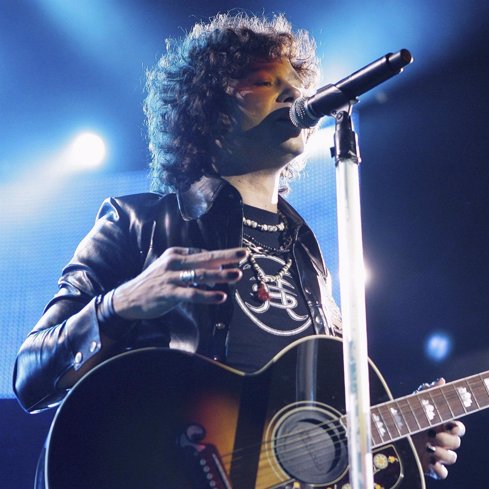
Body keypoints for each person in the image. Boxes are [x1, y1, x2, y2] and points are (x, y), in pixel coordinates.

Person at [13, 12, 464, 486]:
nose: (293, 94)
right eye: (263, 81)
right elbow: (30, 376)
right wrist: (121, 303)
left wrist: (391, 441)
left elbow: (306, 434)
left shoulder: (309, 258)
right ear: (209, 110)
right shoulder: (137, 221)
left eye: (295, 84)